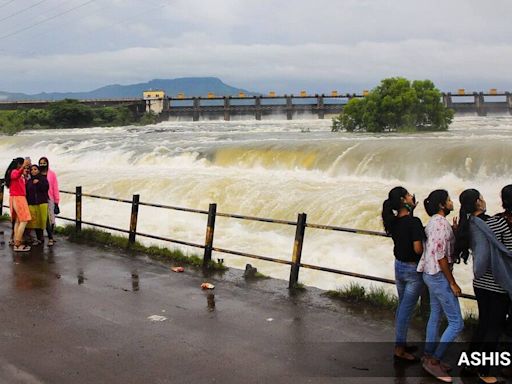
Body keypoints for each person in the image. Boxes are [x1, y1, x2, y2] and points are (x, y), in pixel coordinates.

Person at [456, 188, 512, 384]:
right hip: (499, 284)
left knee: (484, 325)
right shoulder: (498, 223)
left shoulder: (468, 224)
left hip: (480, 282)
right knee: (493, 329)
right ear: (478, 202)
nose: (484, 199)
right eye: (482, 197)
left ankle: (470, 363)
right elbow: (510, 251)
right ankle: (484, 371)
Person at [418, 189, 463, 383]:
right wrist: (452, 283)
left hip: (429, 273)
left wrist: (453, 231)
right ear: (442, 205)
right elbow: (441, 256)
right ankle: (434, 361)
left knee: (435, 315)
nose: (452, 202)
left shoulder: (435, 222)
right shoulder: (440, 225)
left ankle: (429, 355)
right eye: (449, 200)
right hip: (438, 276)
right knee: (457, 323)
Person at [382, 186, 424, 362]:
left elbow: (405, 229)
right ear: (403, 200)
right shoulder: (414, 222)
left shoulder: (393, 221)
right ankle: (399, 349)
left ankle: (402, 342)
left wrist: (410, 211)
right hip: (412, 271)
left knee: (402, 307)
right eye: (408, 195)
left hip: (398, 267)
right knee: (405, 311)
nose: (410, 196)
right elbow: (417, 248)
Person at [4, 157, 32, 252]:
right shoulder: (13, 172)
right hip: (18, 198)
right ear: (19, 164)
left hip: (16, 198)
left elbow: (23, 177)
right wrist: (24, 166)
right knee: (24, 220)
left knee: (18, 221)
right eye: (22, 164)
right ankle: (17, 243)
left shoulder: (14, 172)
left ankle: (17, 242)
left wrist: (26, 168)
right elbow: (16, 175)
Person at [26, 165, 49, 246]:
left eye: (35, 169)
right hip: (32, 204)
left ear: (38, 170)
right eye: (31, 169)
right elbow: (27, 192)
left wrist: (38, 182)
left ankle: (41, 237)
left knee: (42, 220)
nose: (33, 171)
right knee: (34, 222)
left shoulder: (43, 179)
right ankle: (38, 238)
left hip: (42, 203)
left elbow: (46, 188)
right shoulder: (29, 181)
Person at [38, 157, 60, 246]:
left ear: (47, 163)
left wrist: (57, 200)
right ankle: (47, 237)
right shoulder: (37, 173)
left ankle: (51, 236)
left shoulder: (52, 174)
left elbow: (55, 187)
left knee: (51, 218)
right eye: (41, 163)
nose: (42, 165)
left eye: (44, 163)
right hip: (40, 198)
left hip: (50, 198)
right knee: (44, 218)